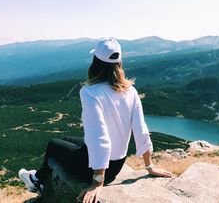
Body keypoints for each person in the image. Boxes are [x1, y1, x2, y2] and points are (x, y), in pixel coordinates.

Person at [18, 38, 173, 203]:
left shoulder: (90, 92)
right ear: (119, 63)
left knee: (53, 144)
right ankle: (37, 179)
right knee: (66, 140)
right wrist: (150, 166)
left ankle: (35, 180)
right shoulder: (131, 91)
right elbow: (141, 130)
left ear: (95, 62)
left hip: (91, 168)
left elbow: (99, 136)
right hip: (117, 165)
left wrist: (98, 180)